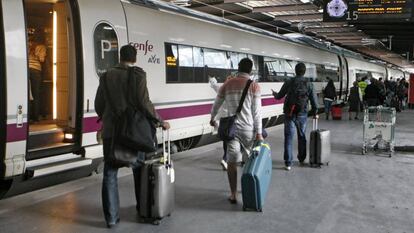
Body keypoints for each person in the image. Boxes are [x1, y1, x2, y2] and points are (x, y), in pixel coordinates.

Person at [95, 45, 170, 228]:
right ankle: (142, 210)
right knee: (140, 171)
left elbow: (99, 104)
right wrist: (160, 120)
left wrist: (107, 119)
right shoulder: (138, 74)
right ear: (135, 58)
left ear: (119, 57)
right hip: (134, 133)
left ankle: (111, 219)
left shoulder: (106, 76)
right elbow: (144, 102)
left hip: (112, 132)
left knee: (110, 174)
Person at [210, 58, 263, 204]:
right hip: (248, 129)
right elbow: (257, 112)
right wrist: (259, 132)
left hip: (231, 129)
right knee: (249, 161)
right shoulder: (254, 86)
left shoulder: (228, 83)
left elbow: (216, 104)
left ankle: (233, 194)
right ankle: (247, 190)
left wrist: (212, 117)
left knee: (232, 162)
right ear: (250, 70)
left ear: (238, 68)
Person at [272, 63, 318, 171]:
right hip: (302, 113)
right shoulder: (309, 84)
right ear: (304, 71)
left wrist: (274, 94)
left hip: (289, 113)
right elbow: (314, 101)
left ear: (295, 71)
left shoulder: (289, 81)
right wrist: (315, 112)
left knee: (288, 138)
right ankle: (301, 158)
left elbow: (279, 96)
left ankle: (288, 163)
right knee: (301, 136)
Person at [209, 75, 235, 170]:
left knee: (226, 138)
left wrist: (211, 77)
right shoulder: (234, 92)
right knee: (232, 138)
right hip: (232, 118)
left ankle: (226, 158)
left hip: (223, 118)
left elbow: (214, 84)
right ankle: (226, 158)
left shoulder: (221, 89)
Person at [28, 34, 47, 122]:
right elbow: (42, 59)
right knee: (36, 95)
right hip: (36, 71)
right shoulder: (41, 47)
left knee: (29, 95)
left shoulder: (29, 45)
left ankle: (29, 116)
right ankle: (35, 117)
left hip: (27, 70)